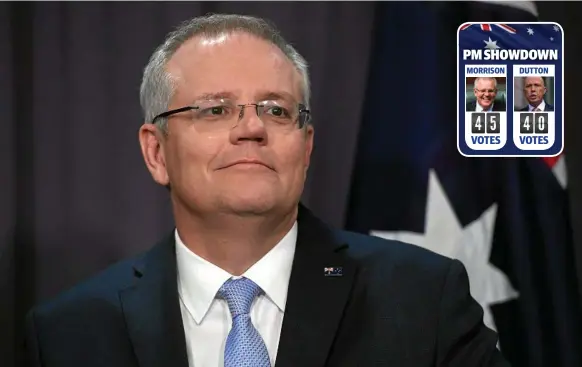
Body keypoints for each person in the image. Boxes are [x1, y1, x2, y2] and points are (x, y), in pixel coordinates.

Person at [23, 14, 510, 367]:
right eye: (215, 110)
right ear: (156, 153)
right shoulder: (70, 335)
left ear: (306, 147)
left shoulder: (422, 300)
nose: (251, 128)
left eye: (276, 110)